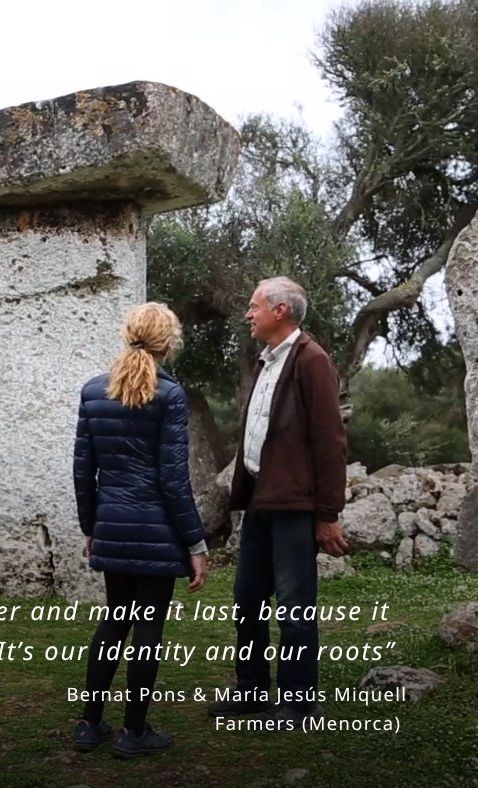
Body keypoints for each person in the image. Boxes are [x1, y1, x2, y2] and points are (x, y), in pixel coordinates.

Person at [208, 276, 348, 726]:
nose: (248, 314)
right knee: (247, 600)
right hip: (261, 503)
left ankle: (300, 701)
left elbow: (331, 441)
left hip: (293, 507)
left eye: (254, 307)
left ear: (280, 310)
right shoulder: (268, 361)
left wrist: (327, 514)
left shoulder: (312, 361)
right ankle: (252, 692)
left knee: (294, 605)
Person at [72, 302, 209, 759]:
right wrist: (196, 542)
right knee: (147, 628)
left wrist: (91, 527)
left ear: (127, 334)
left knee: (114, 622)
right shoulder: (170, 396)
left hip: (111, 524)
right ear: (167, 343)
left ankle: (89, 724)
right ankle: (134, 733)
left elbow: (82, 472)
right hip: (157, 532)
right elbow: (173, 479)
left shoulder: (93, 392)